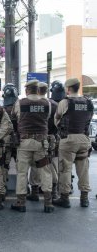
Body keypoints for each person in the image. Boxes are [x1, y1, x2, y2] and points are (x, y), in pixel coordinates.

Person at [10, 80, 54, 213]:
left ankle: (21, 202)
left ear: (27, 90)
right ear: (37, 89)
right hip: (41, 143)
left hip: (24, 143)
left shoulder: (20, 103)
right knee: (45, 171)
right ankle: (48, 202)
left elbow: (14, 118)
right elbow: (47, 118)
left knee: (22, 172)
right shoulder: (46, 103)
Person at [53, 78, 93, 208]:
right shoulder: (88, 102)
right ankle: (84, 198)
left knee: (65, 169)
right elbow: (88, 119)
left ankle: (64, 198)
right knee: (83, 169)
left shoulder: (65, 102)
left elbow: (57, 119)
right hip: (84, 138)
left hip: (68, 139)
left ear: (68, 89)